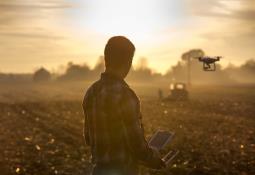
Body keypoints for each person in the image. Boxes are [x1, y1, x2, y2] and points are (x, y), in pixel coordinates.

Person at [82, 36, 165, 175]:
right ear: (128, 62)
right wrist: (153, 158)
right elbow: (136, 144)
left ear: (106, 60)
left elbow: (88, 138)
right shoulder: (125, 95)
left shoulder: (91, 92)